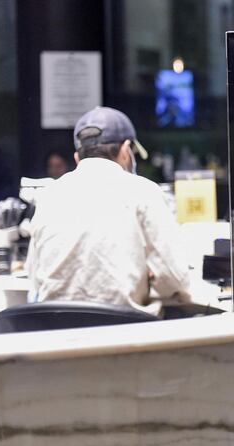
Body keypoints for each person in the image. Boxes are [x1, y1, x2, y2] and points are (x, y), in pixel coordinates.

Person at [27, 106, 190, 315]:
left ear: (78, 158)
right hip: (125, 338)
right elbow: (175, 278)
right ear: (125, 151)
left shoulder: (49, 195)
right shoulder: (143, 191)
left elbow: (35, 278)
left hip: (58, 338)